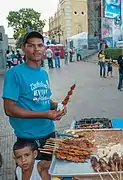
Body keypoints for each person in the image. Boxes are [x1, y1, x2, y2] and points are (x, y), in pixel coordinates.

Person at [2, 31, 67, 161]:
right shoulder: (14, 73)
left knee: (48, 174)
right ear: (24, 48)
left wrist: (57, 106)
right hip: (28, 140)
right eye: (31, 45)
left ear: (44, 48)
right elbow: (9, 109)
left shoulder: (43, 73)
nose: (36, 49)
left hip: (49, 134)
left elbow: (43, 99)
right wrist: (45, 114)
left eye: (40, 45)